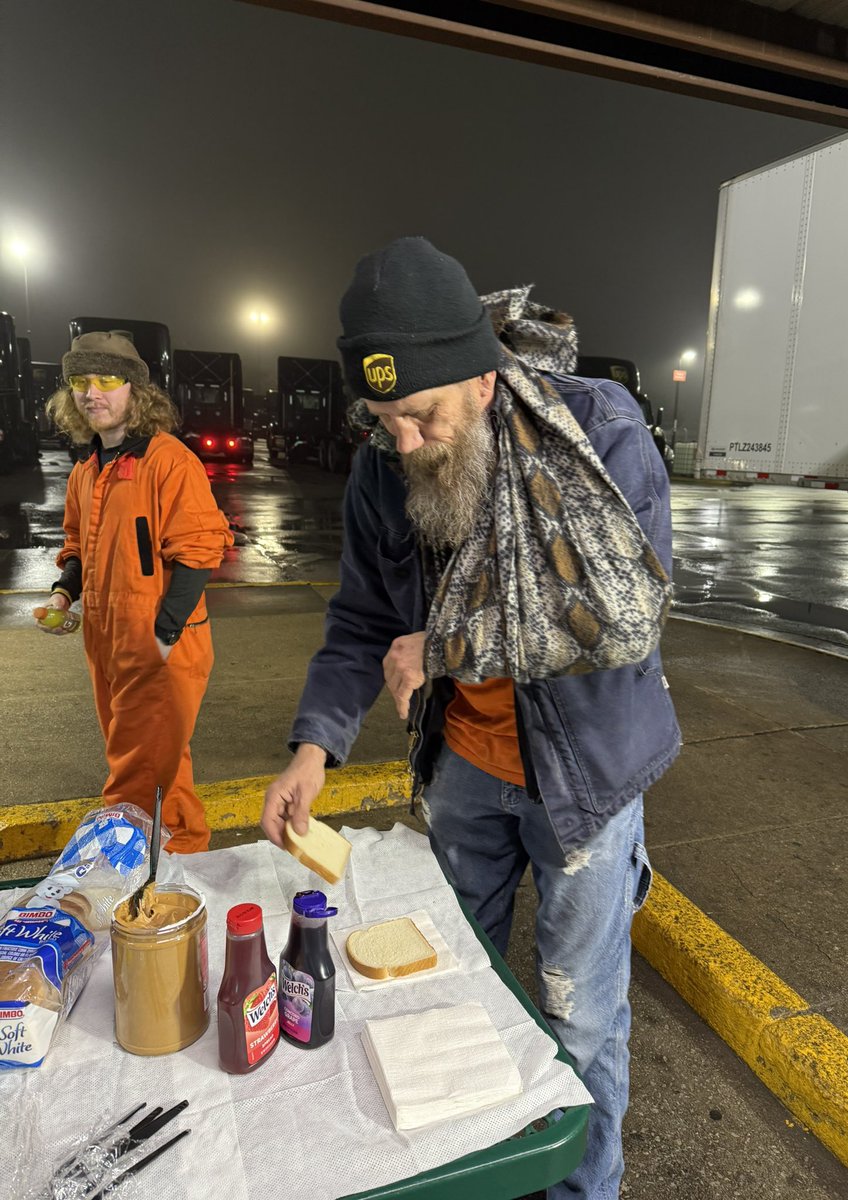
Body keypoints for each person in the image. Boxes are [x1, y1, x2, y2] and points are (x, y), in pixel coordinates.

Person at [261, 238, 680, 1198]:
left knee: (578, 1017)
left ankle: (584, 1189)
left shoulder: (597, 433)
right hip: (463, 772)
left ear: (483, 383)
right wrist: (313, 746)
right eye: (382, 419)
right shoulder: (384, 469)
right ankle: (483, 1171)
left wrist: (442, 647)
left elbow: (622, 617)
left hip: (586, 778)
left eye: (421, 415)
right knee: (450, 989)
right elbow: (364, 620)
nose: (402, 441)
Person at [42, 331, 234, 853]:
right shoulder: (87, 470)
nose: (92, 393)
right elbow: (78, 543)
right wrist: (65, 592)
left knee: (135, 769)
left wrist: (165, 635)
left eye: (107, 380)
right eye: (80, 382)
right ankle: (183, 849)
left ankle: (123, 867)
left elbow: (200, 549)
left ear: (137, 392)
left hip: (159, 640)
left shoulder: (168, 460)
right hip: (107, 641)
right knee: (155, 761)